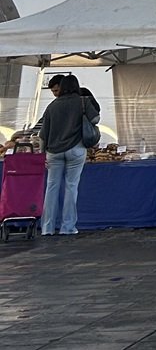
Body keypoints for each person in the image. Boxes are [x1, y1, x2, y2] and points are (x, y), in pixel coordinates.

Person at [38, 73, 100, 236]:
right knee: (71, 187)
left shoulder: (52, 106)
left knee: (51, 188)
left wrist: (42, 153)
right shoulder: (83, 101)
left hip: (53, 152)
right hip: (76, 149)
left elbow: (42, 134)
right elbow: (96, 119)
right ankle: (68, 227)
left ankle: (47, 228)